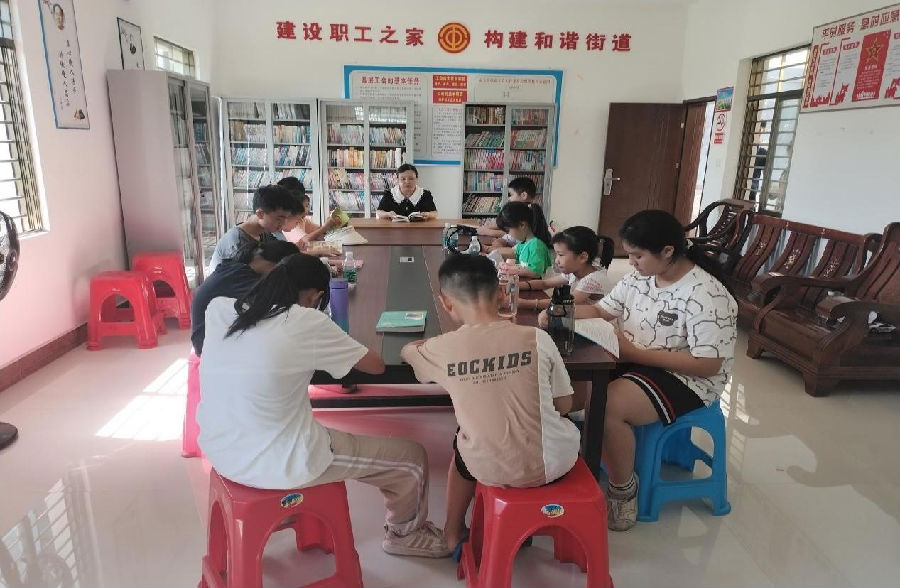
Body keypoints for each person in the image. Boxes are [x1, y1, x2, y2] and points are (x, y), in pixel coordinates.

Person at [198, 253, 451, 558]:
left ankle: (286, 511)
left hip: (220, 450)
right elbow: (375, 365)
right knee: (412, 458)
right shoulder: (307, 322)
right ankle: (404, 535)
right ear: (316, 297)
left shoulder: (220, 309)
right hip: (278, 461)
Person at [541, 210, 737, 532]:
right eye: (629, 255)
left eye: (637, 255)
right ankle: (576, 461)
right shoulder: (641, 277)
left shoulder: (707, 294)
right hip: (633, 357)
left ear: (668, 251)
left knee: (606, 405)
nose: (630, 263)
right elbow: (602, 310)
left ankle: (623, 489)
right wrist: (559, 313)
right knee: (564, 389)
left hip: (686, 377)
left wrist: (636, 354)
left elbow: (708, 364)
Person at [401, 254, 581, 558]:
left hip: (486, 469)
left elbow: (408, 352)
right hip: (556, 464)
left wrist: (419, 346)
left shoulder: (442, 348)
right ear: (501, 293)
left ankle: (452, 533)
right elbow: (564, 404)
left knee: (462, 439)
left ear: (446, 303)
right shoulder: (537, 338)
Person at [190, 240, 299, 355]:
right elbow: (277, 301)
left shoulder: (236, 268)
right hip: (206, 345)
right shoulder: (240, 276)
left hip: (210, 338)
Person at [517, 226, 614, 311]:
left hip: (599, 324)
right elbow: (545, 283)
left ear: (582, 257)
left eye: (560, 255)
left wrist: (525, 303)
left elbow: (563, 304)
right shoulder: (574, 272)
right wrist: (516, 285)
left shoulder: (592, 280)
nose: (556, 260)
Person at [208, 184, 299, 272]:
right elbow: (238, 278)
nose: (284, 223)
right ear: (260, 214)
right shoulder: (236, 244)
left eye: (286, 218)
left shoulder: (266, 232)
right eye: (279, 219)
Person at [479, 177, 538, 255]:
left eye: (511, 195)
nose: (509, 198)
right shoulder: (520, 212)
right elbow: (509, 235)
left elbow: (515, 248)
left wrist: (488, 244)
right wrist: (499, 242)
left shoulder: (530, 215)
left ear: (524, 195)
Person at [495, 201, 553, 280]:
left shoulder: (536, 245)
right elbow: (515, 258)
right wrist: (504, 264)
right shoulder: (522, 244)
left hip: (537, 286)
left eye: (508, 231)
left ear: (522, 225)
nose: (508, 235)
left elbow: (535, 272)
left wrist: (510, 269)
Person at [276, 177, 341, 247]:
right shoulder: (289, 223)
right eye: (305, 205)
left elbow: (320, 233)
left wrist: (330, 225)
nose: (308, 209)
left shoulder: (302, 220)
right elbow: (304, 241)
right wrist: (325, 227)